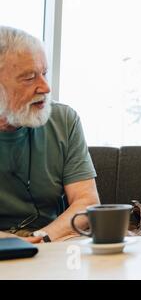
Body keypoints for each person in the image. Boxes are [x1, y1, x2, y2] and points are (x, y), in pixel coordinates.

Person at [0, 26, 100, 243]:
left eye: (44, 73)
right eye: (29, 78)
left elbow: (87, 201)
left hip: (52, 241)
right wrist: (12, 243)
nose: (45, 87)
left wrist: (42, 238)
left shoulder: (64, 120)